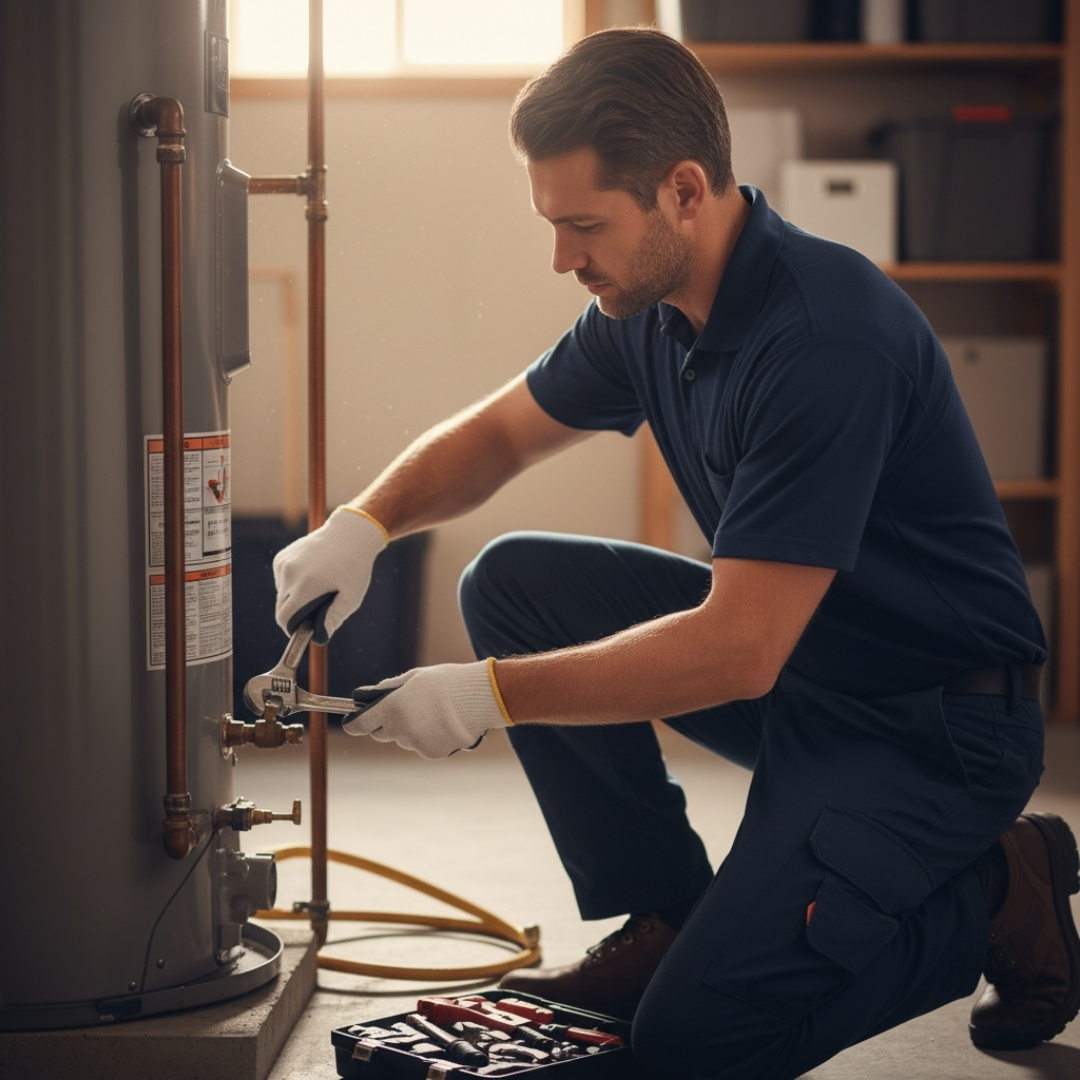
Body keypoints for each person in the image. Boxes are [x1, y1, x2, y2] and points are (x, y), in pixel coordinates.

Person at [270, 27, 1079, 1080]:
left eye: (582, 225)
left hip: (932, 721)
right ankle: (666, 915)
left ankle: (996, 890)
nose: (561, 257)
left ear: (684, 192)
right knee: (515, 581)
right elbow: (502, 435)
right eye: (551, 223)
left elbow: (736, 652)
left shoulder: (824, 341)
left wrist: (488, 697)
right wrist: (365, 524)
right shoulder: (644, 307)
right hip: (809, 664)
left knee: (699, 1040)